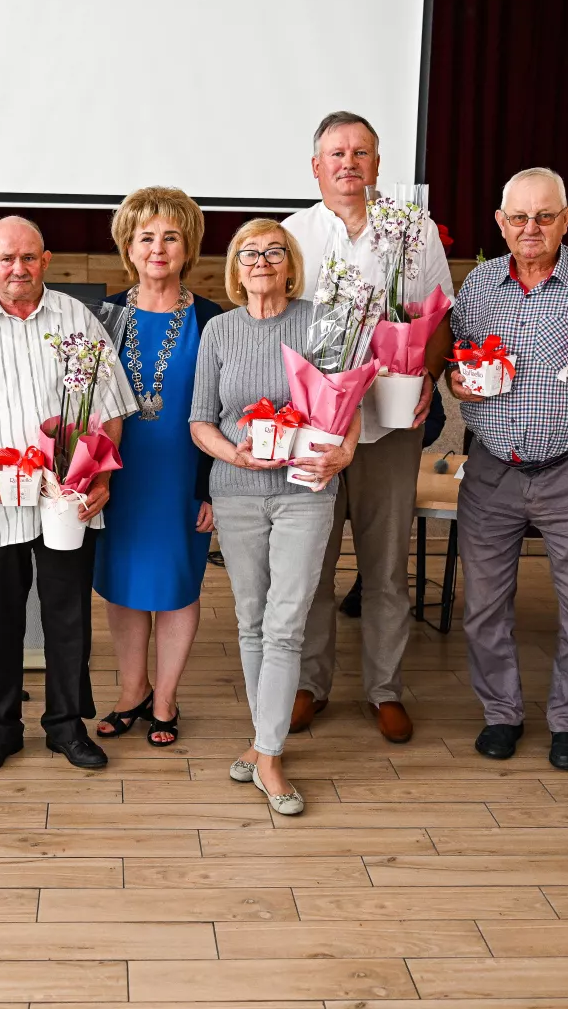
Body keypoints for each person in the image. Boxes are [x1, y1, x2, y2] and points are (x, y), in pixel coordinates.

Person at [445, 167, 568, 772]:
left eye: (544, 216)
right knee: (483, 608)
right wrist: (457, 382)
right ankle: (501, 713)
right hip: (491, 470)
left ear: (567, 219)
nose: (530, 228)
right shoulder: (478, 285)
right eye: (518, 217)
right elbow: (457, 365)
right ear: (500, 223)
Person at [0, 216, 135, 773]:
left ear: (46, 260)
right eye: (6, 258)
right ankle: (1, 728)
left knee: (67, 614)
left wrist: (102, 477)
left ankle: (66, 726)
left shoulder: (78, 320)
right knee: (1, 617)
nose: (18, 268)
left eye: (29, 257)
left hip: (67, 500)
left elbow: (112, 408)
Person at [285, 111, 455, 744]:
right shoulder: (293, 234)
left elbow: (440, 317)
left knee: (386, 568)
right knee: (313, 564)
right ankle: (310, 684)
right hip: (318, 430)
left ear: (378, 164)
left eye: (361, 152)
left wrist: (428, 378)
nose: (349, 163)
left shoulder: (413, 230)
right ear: (316, 166)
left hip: (390, 423)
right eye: (337, 153)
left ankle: (385, 689)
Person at [189, 220, 356, 814]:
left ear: (291, 265)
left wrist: (345, 452)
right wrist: (234, 454)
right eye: (249, 253)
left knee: (286, 623)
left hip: (304, 490)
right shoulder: (219, 330)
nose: (261, 261)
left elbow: (347, 406)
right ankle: (264, 746)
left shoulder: (322, 322)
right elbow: (200, 420)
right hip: (236, 491)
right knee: (251, 620)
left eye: (274, 252)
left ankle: (269, 755)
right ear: (236, 268)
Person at [93, 187, 221, 747]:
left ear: (188, 247)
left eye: (171, 237)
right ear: (129, 246)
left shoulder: (213, 319)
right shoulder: (103, 317)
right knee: (122, 584)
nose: (158, 248)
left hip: (183, 478)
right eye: (146, 237)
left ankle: (165, 697)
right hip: (117, 475)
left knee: (176, 583)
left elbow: (228, 410)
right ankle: (132, 691)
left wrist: (212, 488)